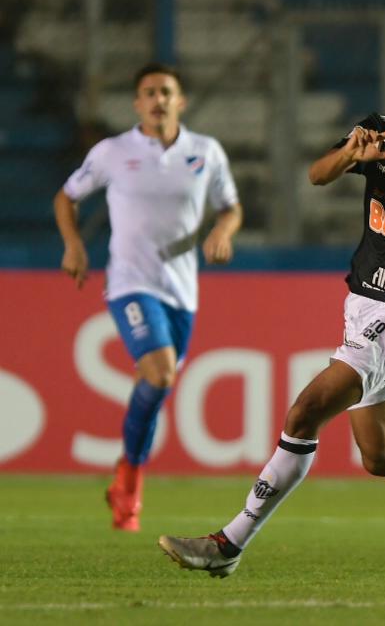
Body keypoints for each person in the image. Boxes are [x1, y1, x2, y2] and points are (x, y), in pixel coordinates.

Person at [158, 51, 385, 582]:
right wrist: (349, 155)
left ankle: (229, 542)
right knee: (383, 455)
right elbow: (317, 174)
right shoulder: (379, 131)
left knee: (305, 412)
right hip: (362, 301)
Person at [53, 62, 243, 532]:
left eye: (166, 92)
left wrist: (223, 231)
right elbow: (66, 197)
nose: (159, 100)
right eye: (150, 93)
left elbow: (231, 207)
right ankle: (133, 485)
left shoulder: (205, 151)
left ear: (181, 101)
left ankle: (125, 476)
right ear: (137, 104)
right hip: (129, 282)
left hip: (182, 290)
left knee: (157, 386)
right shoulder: (113, 152)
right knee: (159, 373)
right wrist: (73, 244)